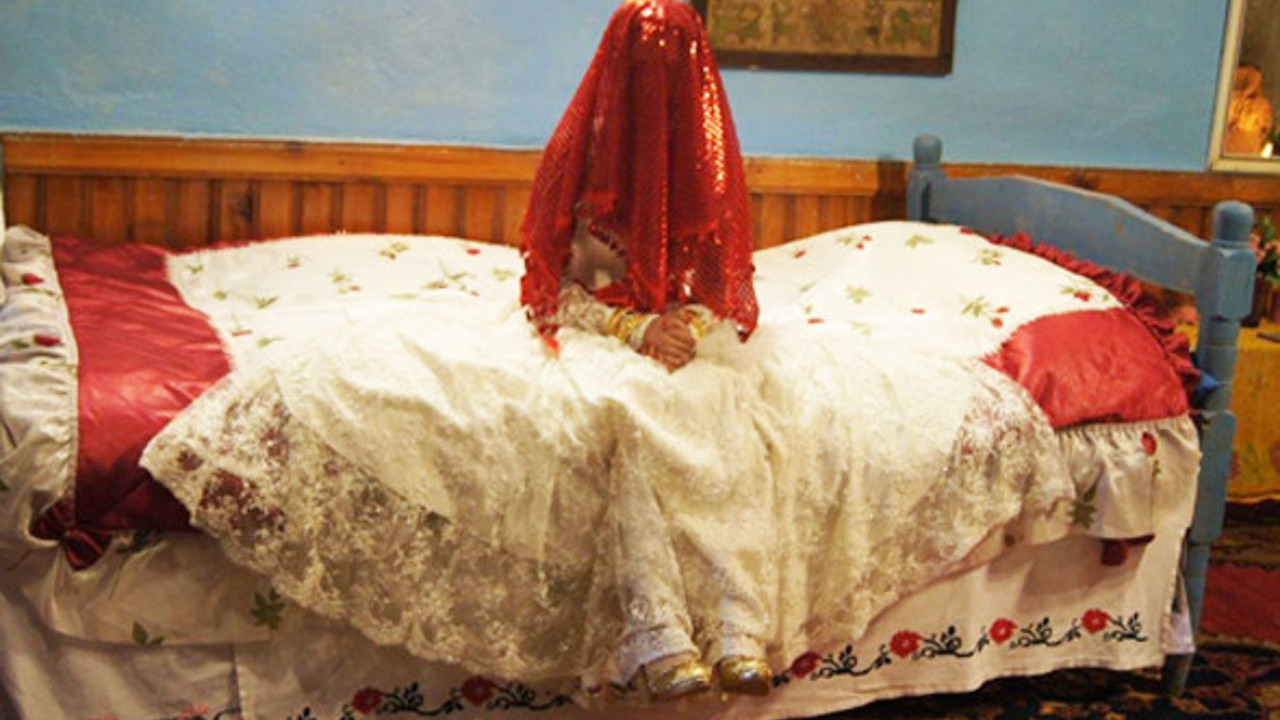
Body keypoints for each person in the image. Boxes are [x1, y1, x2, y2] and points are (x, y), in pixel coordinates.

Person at [520, 0, 773, 698]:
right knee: (628, 413)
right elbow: (549, 290)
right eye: (643, 61)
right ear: (617, 66)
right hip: (604, 331)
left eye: (673, 63)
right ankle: (658, 633)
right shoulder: (578, 159)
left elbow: (722, 282)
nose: (658, 83)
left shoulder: (708, 166)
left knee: (727, 409)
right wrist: (633, 330)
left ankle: (739, 627)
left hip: (683, 339)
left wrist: (685, 324)